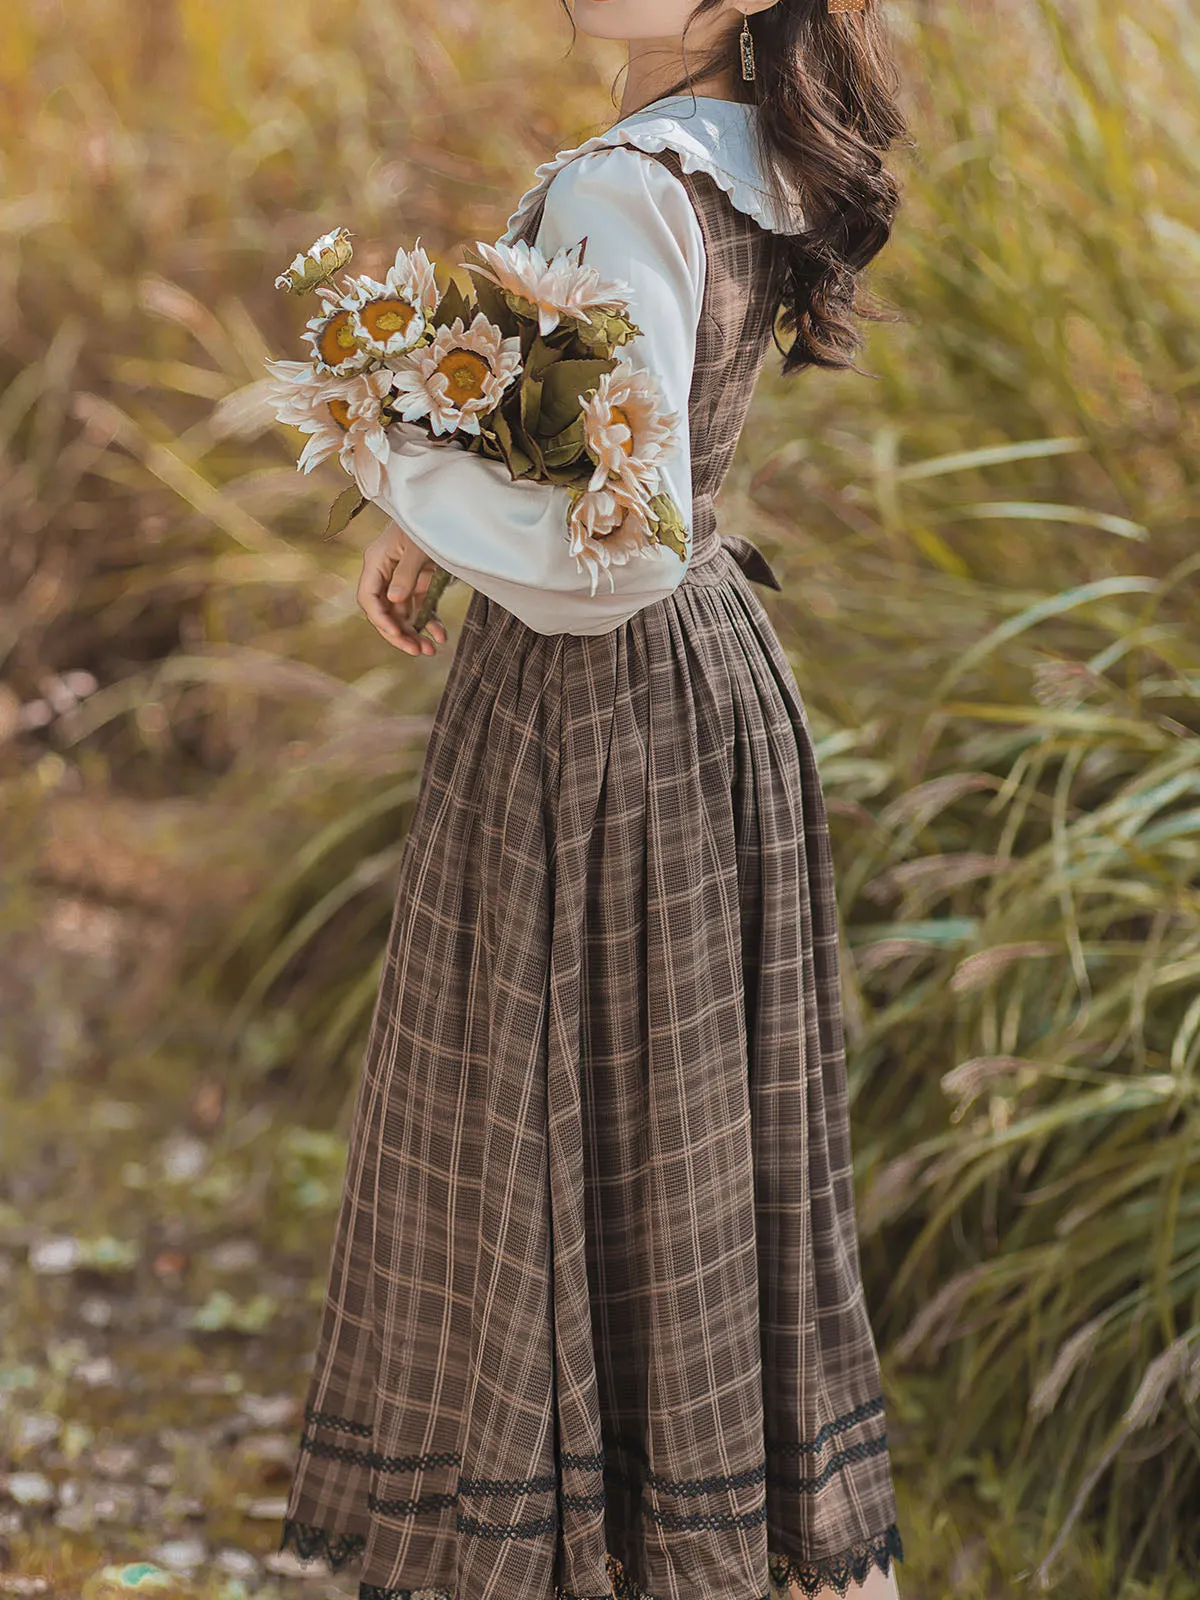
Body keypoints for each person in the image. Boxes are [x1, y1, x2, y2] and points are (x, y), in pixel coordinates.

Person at [279, 3, 908, 1598]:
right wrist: (452, 488)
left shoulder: (631, 180)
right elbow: (624, 444)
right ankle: (675, 1541)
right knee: (671, 1136)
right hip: (713, 694)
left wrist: (394, 467)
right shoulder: (744, 153)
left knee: (548, 1124)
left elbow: (617, 547)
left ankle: (577, 1553)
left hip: (601, 717)